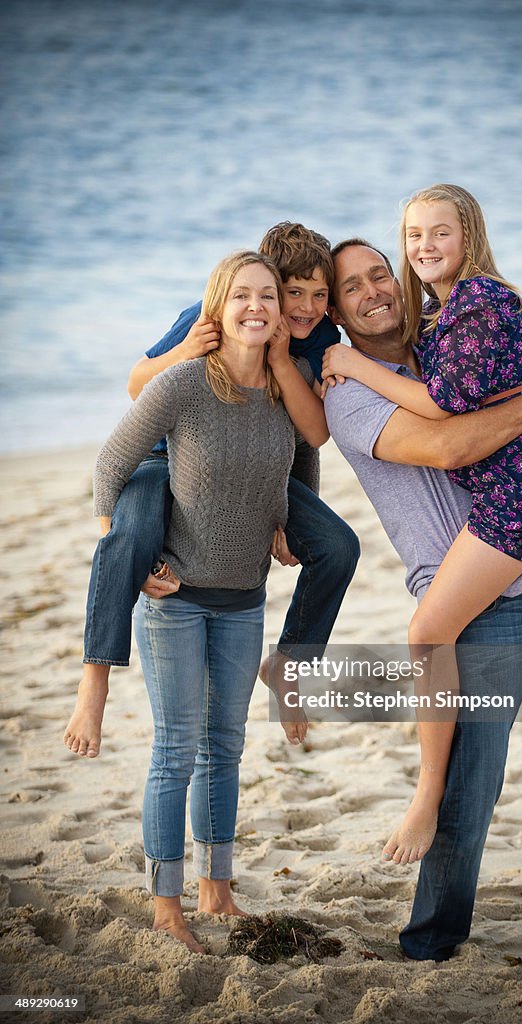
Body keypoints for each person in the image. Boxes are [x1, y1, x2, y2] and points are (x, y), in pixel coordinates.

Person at [323, 239, 522, 961]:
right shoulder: (346, 393)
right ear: (337, 311)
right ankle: (431, 939)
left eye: (380, 273)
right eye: (352, 287)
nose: (373, 291)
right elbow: (449, 446)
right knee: (470, 788)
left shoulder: (448, 343)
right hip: (471, 607)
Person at [83, 251, 322, 952]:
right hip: (178, 599)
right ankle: (166, 906)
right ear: (217, 309)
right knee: (177, 750)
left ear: (282, 314)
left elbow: (301, 457)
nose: (256, 306)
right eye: (240, 296)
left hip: (245, 598)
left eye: (267, 297)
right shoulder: (184, 384)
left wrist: (284, 518)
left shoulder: (285, 391)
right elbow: (110, 466)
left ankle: (216, 890)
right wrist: (127, 550)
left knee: (226, 747)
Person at [64, 223, 360, 757]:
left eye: (320, 295)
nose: (305, 307)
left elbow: (306, 436)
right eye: (292, 292)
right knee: (128, 537)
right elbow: (138, 385)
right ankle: (96, 678)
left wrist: (289, 513)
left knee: (340, 547)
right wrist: (187, 351)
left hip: (259, 466)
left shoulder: (319, 340)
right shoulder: (206, 315)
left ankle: (290, 665)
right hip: (168, 454)